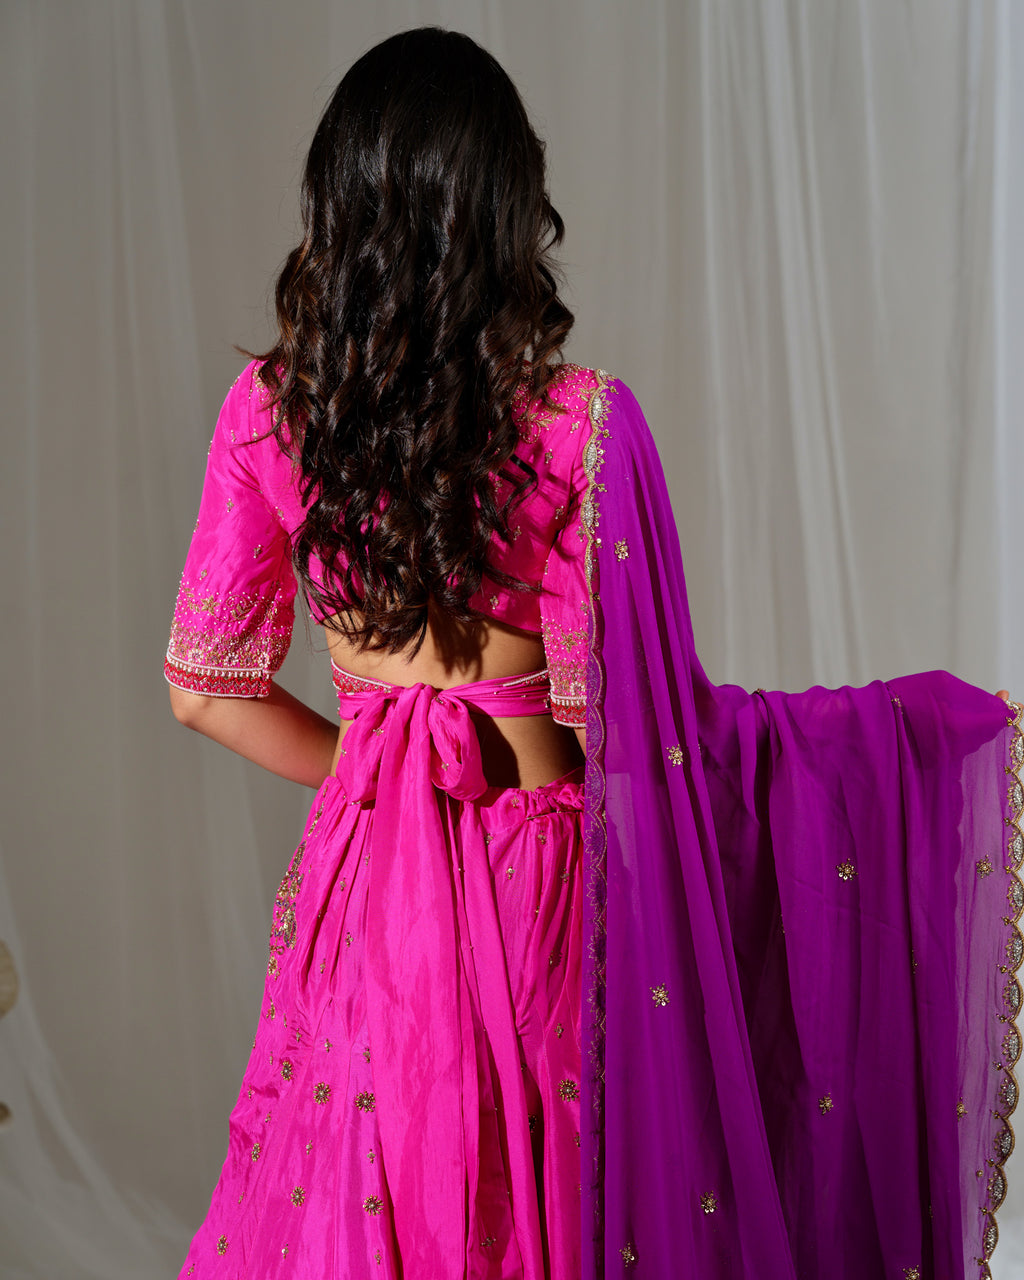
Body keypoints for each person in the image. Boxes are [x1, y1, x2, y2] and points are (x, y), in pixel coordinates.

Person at [165, 27, 1022, 1280]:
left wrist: (373, 768)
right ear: (508, 214)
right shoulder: (581, 430)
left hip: (367, 893)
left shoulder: (272, 415)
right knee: (556, 1214)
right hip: (543, 893)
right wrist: (904, 731)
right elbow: (651, 737)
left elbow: (203, 689)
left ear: (334, 205)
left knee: (365, 1200)